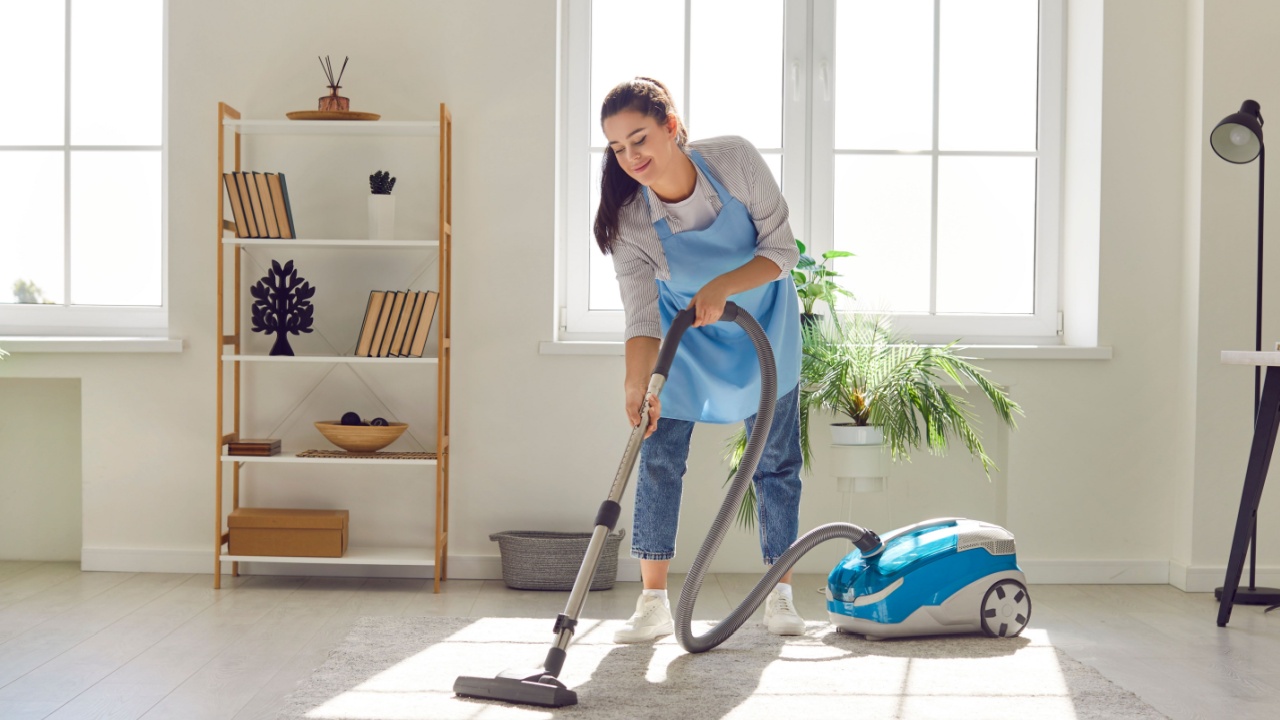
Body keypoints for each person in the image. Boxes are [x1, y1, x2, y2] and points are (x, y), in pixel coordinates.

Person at [594, 77, 805, 642]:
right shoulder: (631, 222)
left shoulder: (732, 160)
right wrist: (635, 385)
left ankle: (778, 595)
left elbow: (782, 250)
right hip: (682, 337)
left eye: (639, 139)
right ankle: (653, 602)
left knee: (776, 463)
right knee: (660, 458)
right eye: (617, 148)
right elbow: (640, 319)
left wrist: (722, 286)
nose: (631, 157)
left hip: (765, 324)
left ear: (671, 126)